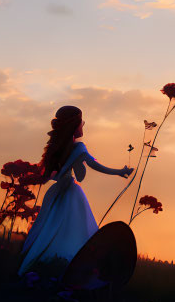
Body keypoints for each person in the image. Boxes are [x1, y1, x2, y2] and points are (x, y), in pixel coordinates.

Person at [18, 105, 132, 276]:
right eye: (81, 122)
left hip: (55, 193)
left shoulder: (59, 147)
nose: (82, 126)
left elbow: (65, 174)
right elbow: (95, 164)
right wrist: (119, 172)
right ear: (74, 125)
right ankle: (68, 263)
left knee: (50, 226)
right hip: (69, 192)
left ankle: (47, 261)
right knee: (74, 227)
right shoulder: (78, 147)